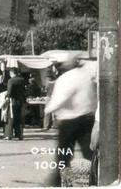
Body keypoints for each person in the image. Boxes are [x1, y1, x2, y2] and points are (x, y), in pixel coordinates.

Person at [44, 54, 97, 187]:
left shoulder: (65, 78)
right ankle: (96, 178)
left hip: (68, 121)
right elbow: (94, 97)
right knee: (89, 153)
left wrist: (49, 108)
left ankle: (57, 182)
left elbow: (60, 99)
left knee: (63, 155)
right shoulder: (86, 76)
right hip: (87, 118)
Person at [4, 68, 26, 140]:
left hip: (12, 101)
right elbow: (24, 91)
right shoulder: (22, 80)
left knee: (10, 117)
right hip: (20, 101)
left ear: (11, 73)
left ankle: (9, 135)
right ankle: (19, 134)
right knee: (19, 118)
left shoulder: (10, 81)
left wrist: (6, 97)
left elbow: (9, 91)